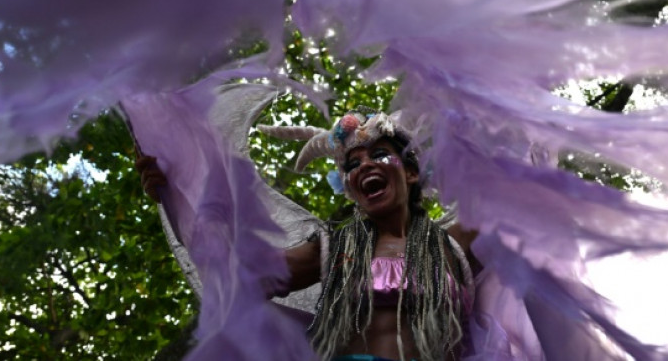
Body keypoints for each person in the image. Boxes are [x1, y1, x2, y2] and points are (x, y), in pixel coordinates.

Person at [139, 108, 479, 361]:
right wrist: (182, 195)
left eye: (378, 154)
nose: (365, 166)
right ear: (349, 188)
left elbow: (523, 211)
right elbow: (236, 278)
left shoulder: (454, 243)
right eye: (353, 165)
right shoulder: (334, 247)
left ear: (410, 173)